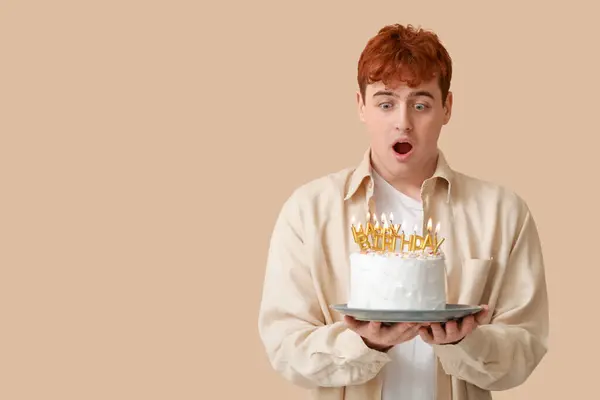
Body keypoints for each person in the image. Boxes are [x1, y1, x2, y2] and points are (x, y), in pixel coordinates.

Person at [257, 23, 549, 400]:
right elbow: (284, 344)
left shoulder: (503, 213)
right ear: (360, 105)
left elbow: (525, 347)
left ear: (447, 108)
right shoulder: (308, 212)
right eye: (385, 102)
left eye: (421, 104)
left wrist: (466, 343)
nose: (403, 121)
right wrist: (365, 345)